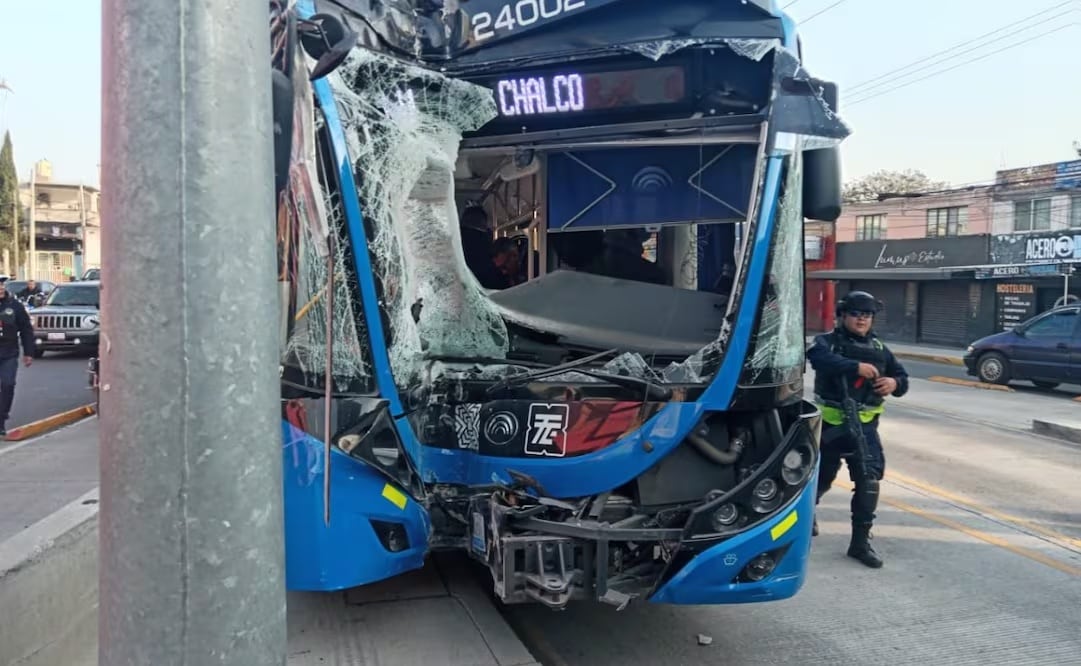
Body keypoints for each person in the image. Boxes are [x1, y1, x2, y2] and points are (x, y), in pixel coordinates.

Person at [806, 290, 909, 569]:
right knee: (821, 478)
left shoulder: (879, 348)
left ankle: (860, 543)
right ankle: (808, 513)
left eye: (867, 315)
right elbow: (818, 358)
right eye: (855, 314)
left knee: (869, 482)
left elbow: (902, 378)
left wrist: (894, 383)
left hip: (864, 429)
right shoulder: (827, 342)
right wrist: (855, 368)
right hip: (831, 427)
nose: (862, 319)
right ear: (842, 316)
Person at [0, 279, 35, 437]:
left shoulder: (14, 305)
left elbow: (26, 329)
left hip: (8, 352)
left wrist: (29, 352)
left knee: (8, 384)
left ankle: (1, 419)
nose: (0, 288)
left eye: (1, 285)